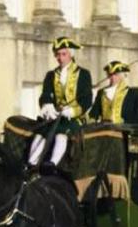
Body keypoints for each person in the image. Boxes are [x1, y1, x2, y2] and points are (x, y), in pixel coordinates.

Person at [28, 36, 93, 168]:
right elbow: (45, 95)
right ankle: (31, 163)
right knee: (40, 134)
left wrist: (73, 111)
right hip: (55, 116)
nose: (60, 58)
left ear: (71, 55)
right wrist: (47, 106)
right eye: (57, 54)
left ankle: (52, 164)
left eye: (63, 54)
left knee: (60, 135)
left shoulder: (83, 74)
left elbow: (87, 100)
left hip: (73, 118)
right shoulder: (51, 75)